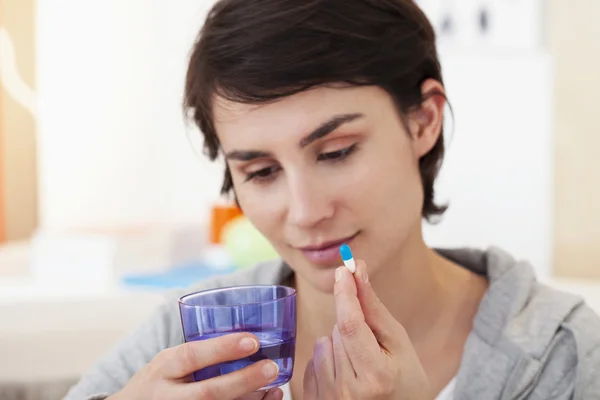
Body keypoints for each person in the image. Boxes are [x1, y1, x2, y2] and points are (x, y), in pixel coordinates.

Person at [65, 1, 600, 399]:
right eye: (262, 170)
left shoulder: (566, 358)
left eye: (337, 152)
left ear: (424, 120)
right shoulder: (192, 337)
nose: (304, 212)